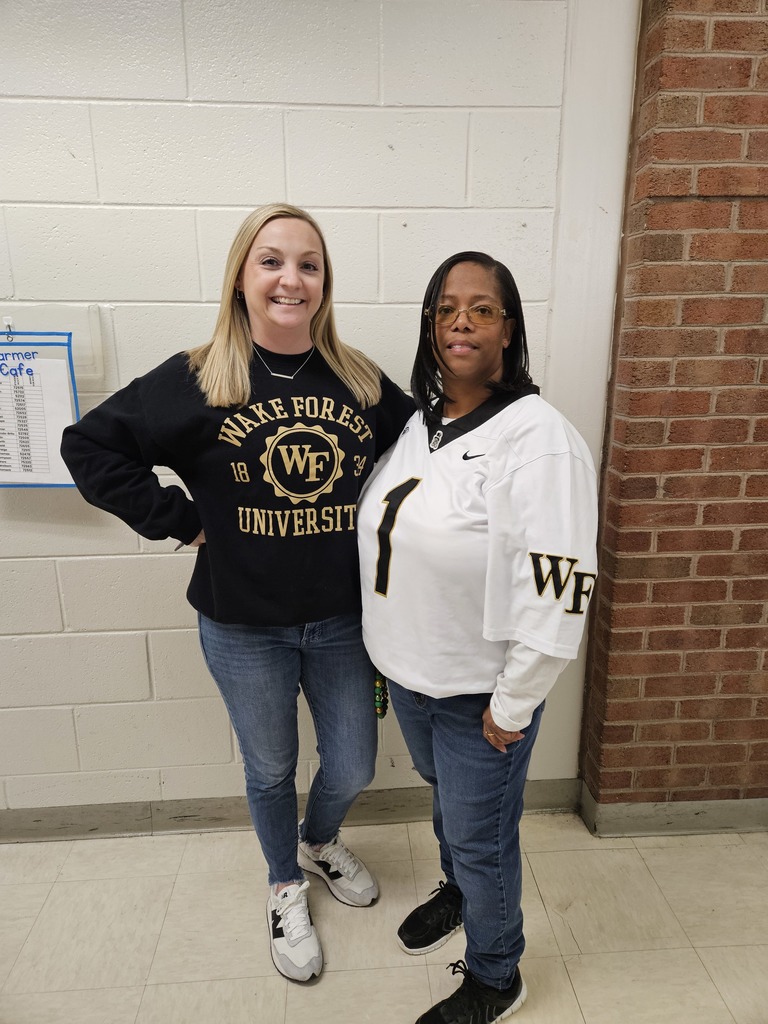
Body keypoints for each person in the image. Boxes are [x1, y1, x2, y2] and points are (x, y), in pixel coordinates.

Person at [60, 203, 414, 983]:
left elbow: (424, 458)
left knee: (352, 764)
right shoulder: (196, 376)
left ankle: (319, 842)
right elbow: (87, 445)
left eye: (309, 264)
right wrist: (180, 522)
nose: (291, 278)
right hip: (241, 623)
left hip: (342, 621)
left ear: (324, 282)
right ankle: (283, 883)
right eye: (272, 261)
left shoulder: (357, 378)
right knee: (269, 769)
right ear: (242, 277)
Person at [357, 252, 598, 1023]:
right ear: (429, 326)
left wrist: (515, 703)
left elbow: (562, 593)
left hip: (478, 696)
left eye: (482, 308)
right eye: (445, 308)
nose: (461, 320)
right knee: (451, 811)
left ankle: (498, 975)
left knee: (484, 834)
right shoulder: (423, 424)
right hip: (412, 678)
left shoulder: (539, 440)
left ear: (508, 327)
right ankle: (457, 892)